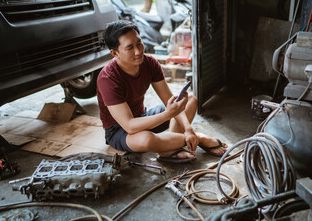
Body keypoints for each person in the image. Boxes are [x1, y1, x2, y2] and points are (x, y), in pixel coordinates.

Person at [97, 20, 227, 163]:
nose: (138, 51)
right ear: (115, 53)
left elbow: (169, 99)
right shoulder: (108, 78)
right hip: (119, 130)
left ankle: (169, 149)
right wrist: (169, 115)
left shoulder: (149, 63)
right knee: (146, 139)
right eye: (130, 48)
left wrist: (188, 128)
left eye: (139, 43)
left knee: (189, 99)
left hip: (143, 116)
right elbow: (130, 125)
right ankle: (198, 138)